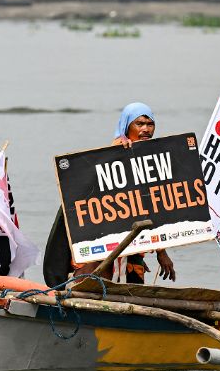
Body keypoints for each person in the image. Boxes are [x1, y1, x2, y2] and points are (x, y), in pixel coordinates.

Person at [42, 102, 176, 286]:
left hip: (132, 253)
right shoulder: (111, 158)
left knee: (130, 299)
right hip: (100, 251)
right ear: (127, 126)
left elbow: (151, 207)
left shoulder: (152, 163)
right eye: (139, 123)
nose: (146, 129)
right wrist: (119, 152)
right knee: (91, 289)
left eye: (150, 124)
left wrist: (162, 252)